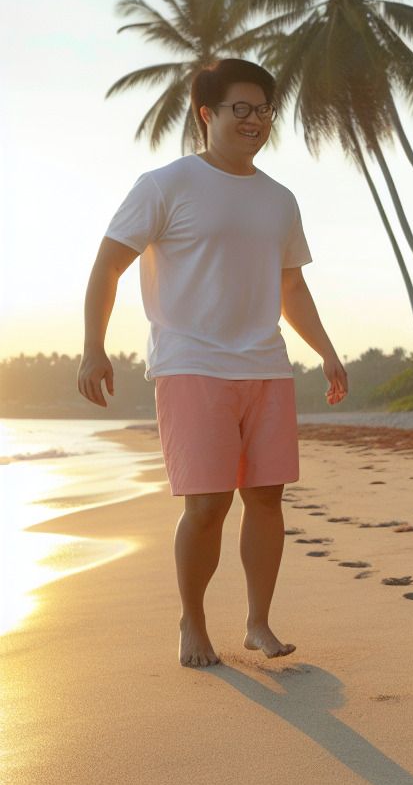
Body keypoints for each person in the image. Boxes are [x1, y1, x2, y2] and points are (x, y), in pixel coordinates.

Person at [78, 58, 347, 668]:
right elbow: (107, 265)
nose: (255, 121)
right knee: (207, 506)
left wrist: (326, 352)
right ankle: (192, 622)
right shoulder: (165, 184)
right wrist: (94, 346)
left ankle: (258, 623)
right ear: (207, 114)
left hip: (266, 365)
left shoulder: (279, 199)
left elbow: (291, 287)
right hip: (190, 364)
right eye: (240, 109)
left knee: (267, 499)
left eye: (264, 110)